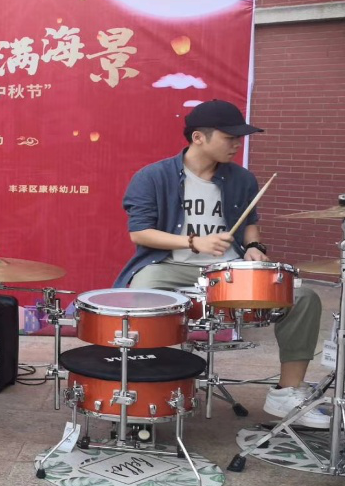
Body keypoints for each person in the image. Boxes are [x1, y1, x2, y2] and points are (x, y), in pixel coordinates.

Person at [114, 100, 327, 428]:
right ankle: (143, 388)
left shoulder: (242, 179)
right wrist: (193, 242)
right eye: (230, 137)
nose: (237, 144)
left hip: (229, 272)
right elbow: (140, 233)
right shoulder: (153, 177)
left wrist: (254, 247)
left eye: (239, 137)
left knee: (303, 299)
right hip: (170, 266)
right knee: (142, 293)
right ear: (198, 137)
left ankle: (287, 392)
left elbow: (250, 222)